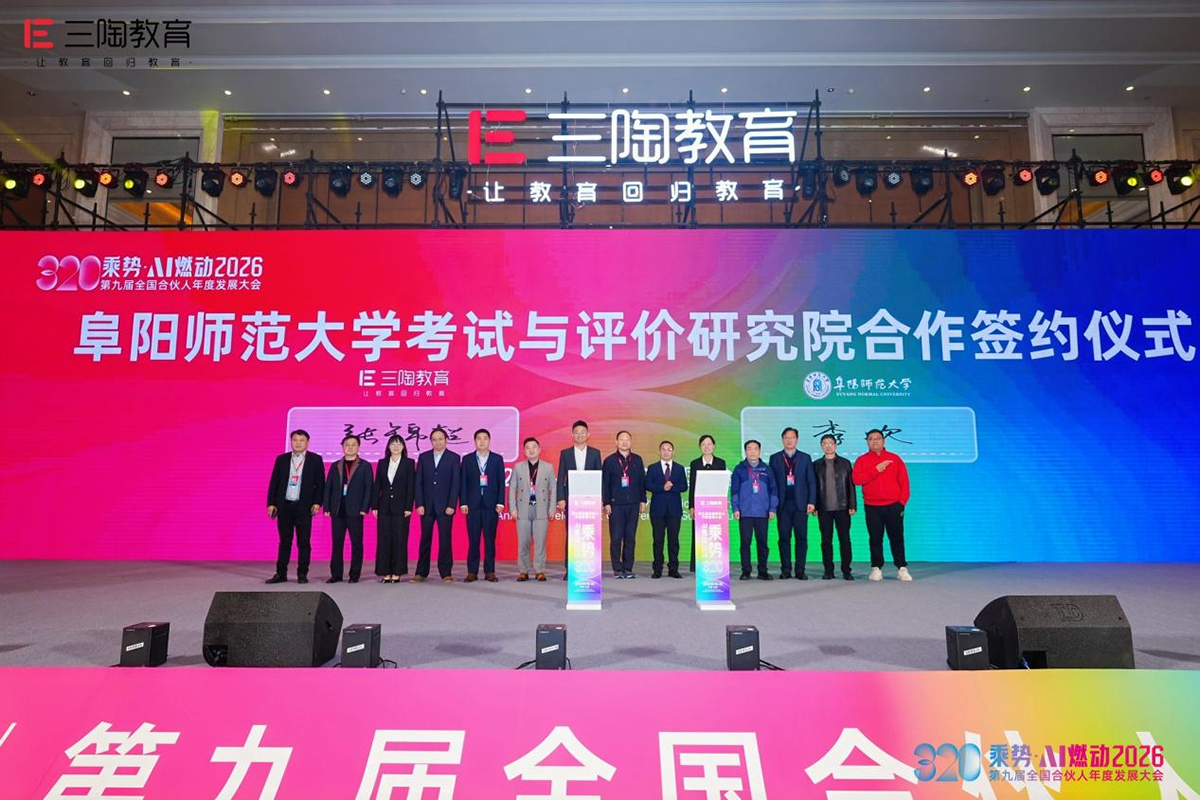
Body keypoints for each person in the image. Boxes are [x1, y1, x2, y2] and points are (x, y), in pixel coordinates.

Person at [265, 429, 326, 584]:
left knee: (303, 542)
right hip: (284, 506)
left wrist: (317, 503)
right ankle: (281, 574)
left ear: (307, 442)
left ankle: (302, 574)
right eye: (295, 440)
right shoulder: (282, 459)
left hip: (304, 507)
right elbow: (274, 482)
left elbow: (320, 484)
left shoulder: (315, 460)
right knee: (284, 541)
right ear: (291, 441)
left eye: (301, 440)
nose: (298, 443)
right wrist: (271, 503)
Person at [853, 429, 912, 582]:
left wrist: (901, 503)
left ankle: (901, 567)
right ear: (867, 442)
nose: (874, 441)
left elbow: (904, 483)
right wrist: (876, 470)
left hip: (894, 506)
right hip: (872, 506)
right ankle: (876, 567)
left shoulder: (894, 459)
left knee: (897, 537)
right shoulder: (862, 460)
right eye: (871, 439)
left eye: (878, 438)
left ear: (883, 440)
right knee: (875, 538)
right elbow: (857, 480)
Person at [322, 434, 373, 584]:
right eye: (347, 445)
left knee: (356, 543)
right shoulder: (336, 465)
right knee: (337, 543)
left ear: (358, 447)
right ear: (343, 447)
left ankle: (354, 574)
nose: (350, 447)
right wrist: (327, 506)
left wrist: (365, 507)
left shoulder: (365, 466)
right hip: (337, 510)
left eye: (353, 445)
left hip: (355, 511)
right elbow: (328, 487)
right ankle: (336, 575)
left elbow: (369, 488)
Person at [414, 427, 461, 583]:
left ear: (446, 440)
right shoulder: (424, 457)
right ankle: (421, 572)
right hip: (426, 506)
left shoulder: (454, 458)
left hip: (445, 507)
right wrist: (419, 503)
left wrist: (452, 504)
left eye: (441, 439)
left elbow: (455, 483)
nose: (438, 442)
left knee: (445, 540)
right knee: (425, 539)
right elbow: (418, 482)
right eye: (434, 439)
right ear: (431, 441)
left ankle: (446, 572)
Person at [556, 419, 602, 580]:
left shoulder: (595, 453)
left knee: (589, 535)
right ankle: (570, 569)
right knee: (572, 535)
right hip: (571, 500)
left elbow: (599, 477)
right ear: (572, 435)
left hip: (590, 501)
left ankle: (589, 569)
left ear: (588, 434)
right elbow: (561, 477)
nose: (580, 435)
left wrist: (600, 500)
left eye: (583, 432)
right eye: (577, 432)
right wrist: (561, 499)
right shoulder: (565, 453)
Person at [769, 427, 816, 579]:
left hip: (801, 504)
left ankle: (800, 570)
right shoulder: (775, 458)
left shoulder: (805, 458)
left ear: (797, 439)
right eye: (786, 437)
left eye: (792, 437)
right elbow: (772, 483)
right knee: (784, 538)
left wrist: (812, 501)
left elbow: (811, 481)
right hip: (782, 505)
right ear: (782, 440)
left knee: (801, 538)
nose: (789, 440)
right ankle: (786, 569)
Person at [459, 428, 506, 583]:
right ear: (475, 441)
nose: (482, 441)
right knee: (473, 540)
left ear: (489, 441)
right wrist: (463, 502)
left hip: (491, 505)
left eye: (485, 438)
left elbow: (501, 483)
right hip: (472, 505)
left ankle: (490, 571)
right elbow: (463, 483)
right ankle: (472, 572)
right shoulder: (467, 459)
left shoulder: (497, 459)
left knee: (489, 540)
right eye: (479, 438)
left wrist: (500, 502)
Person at [509, 437, 557, 581]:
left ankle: (540, 570)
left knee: (540, 542)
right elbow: (512, 488)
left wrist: (552, 508)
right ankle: (523, 570)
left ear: (539, 449)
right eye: (528, 448)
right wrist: (512, 507)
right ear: (524, 451)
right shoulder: (518, 467)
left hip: (541, 508)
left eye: (534, 447)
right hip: (523, 509)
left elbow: (553, 488)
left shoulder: (548, 467)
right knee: (523, 542)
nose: (531, 450)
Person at [731, 439, 778, 580]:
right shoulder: (739, 469)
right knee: (745, 543)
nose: (752, 451)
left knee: (762, 543)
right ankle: (746, 571)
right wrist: (735, 508)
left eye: (755, 449)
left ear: (760, 451)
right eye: (749, 449)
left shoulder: (767, 470)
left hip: (762, 512)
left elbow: (773, 490)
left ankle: (762, 571)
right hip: (745, 512)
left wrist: (772, 508)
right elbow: (734, 490)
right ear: (745, 451)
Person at [601, 430, 646, 579]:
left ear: (631, 442)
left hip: (633, 503)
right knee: (616, 538)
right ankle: (617, 569)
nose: (624, 442)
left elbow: (642, 482)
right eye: (621, 439)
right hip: (616, 505)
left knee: (630, 538)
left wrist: (643, 500)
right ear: (616, 442)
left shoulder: (637, 460)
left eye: (627, 439)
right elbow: (605, 484)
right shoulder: (609, 461)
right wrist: (606, 502)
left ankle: (628, 568)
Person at [812, 434, 856, 580]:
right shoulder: (816, 465)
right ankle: (828, 570)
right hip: (823, 508)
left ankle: (846, 570)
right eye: (825, 443)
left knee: (845, 540)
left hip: (842, 508)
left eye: (831, 443)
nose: (828, 446)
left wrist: (852, 504)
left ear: (836, 445)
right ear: (821, 446)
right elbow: (813, 487)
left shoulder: (845, 463)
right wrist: (815, 505)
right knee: (826, 541)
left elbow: (851, 485)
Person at [372, 434, 415, 583]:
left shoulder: (409, 463)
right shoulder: (382, 463)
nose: (396, 447)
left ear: (403, 447)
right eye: (393, 444)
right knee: (384, 539)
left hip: (402, 507)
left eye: (399, 444)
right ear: (388, 447)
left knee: (399, 539)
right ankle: (385, 571)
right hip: (384, 506)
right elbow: (377, 485)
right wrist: (375, 505)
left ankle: (397, 572)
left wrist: (409, 506)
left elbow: (411, 486)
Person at [645, 440, 688, 579]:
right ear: (659, 451)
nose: (666, 452)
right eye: (663, 449)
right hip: (657, 510)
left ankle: (673, 569)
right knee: (658, 540)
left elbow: (684, 486)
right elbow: (648, 485)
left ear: (673, 452)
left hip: (674, 510)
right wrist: (662, 487)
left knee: (673, 541)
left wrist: (672, 487)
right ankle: (657, 569)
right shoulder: (653, 468)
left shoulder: (679, 468)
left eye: (669, 449)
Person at [687, 434, 726, 572]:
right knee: (700, 534)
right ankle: (697, 564)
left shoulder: (720, 463)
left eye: (709, 444)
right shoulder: (695, 463)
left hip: (715, 504)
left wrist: (723, 502)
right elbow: (692, 486)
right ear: (700, 447)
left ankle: (716, 563)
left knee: (715, 534)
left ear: (714, 446)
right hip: (700, 504)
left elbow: (722, 484)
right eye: (703, 444)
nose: (706, 447)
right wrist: (692, 506)